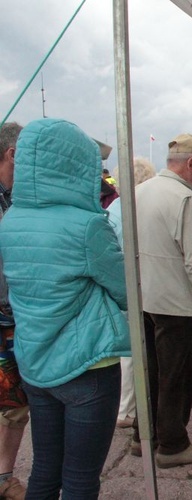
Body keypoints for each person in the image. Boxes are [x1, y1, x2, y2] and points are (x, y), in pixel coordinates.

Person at [0, 118, 130, 498]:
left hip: (35, 361)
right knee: (80, 479)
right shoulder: (87, 225)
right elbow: (126, 291)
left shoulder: (10, 220)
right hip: (88, 364)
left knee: (44, 470)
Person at [130, 133, 192, 468]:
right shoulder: (184, 198)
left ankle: (143, 436)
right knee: (175, 375)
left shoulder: (139, 191)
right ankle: (173, 443)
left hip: (143, 295)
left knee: (148, 370)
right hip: (174, 300)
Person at [108, 157, 157, 429]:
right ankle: (126, 407)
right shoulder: (135, 209)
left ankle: (126, 404)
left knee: (128, 347)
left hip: (122, 283)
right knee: (132, 348)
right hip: (136, 283)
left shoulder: (114, 209)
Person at [0, 122, 27, 500]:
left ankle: (5, 477)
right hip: (4, 315)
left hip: (13, 319)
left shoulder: (16, 198)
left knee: (14, 403)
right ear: (12, 154)